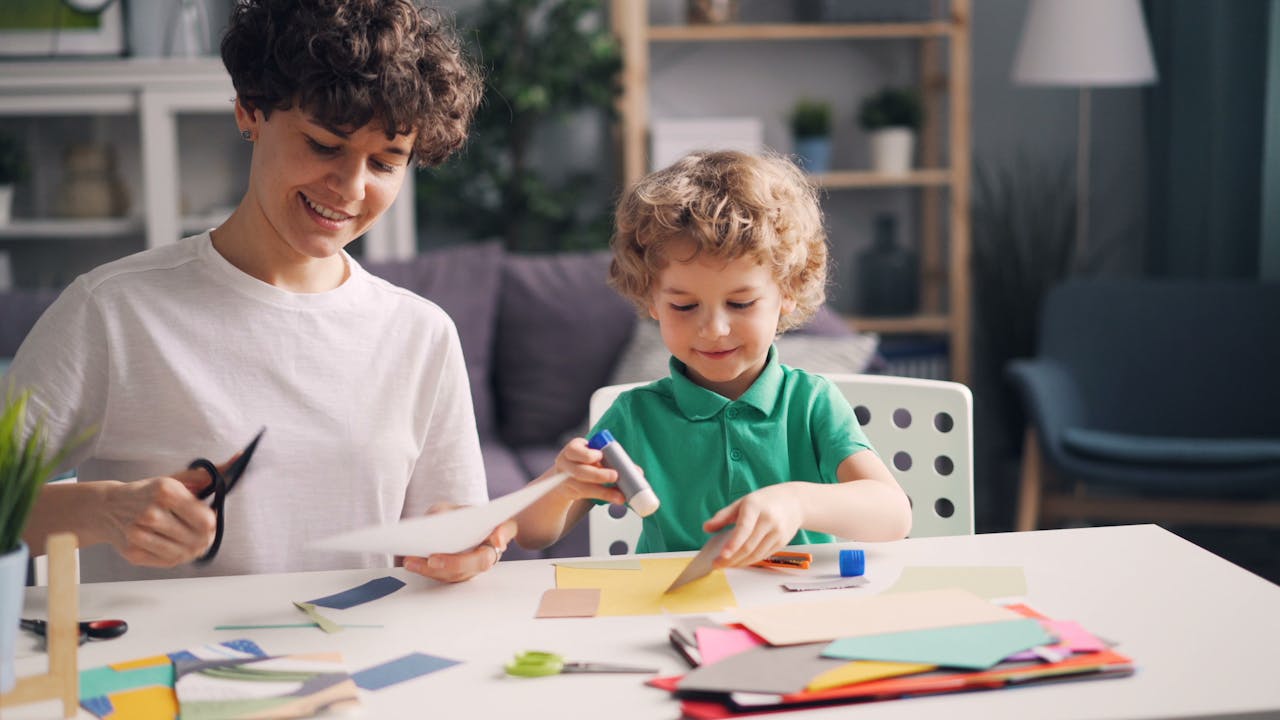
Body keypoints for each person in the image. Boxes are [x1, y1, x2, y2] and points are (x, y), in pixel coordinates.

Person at [13, 0, 511, 583]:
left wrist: (468, 550)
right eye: (325, 145)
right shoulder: (112, 313)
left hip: (361, 664)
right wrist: (102, 511)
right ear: (250, 111)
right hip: (156, 668)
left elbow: (448, 532)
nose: (351, 188)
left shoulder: (421, 334)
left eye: (385, 162)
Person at [516, 150, 912, 567]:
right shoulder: (635, 416)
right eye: (685, 307)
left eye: (740, 303)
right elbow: (531, 533)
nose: (713, 329)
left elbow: (893, 515)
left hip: (795, 606)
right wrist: (564, 485)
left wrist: (798, 500)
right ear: (653, 301)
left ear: (787, 292)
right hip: (675, 614)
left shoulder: (811, 403)